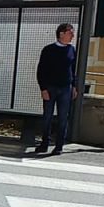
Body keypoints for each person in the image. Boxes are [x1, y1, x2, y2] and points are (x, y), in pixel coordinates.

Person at [35, 23, 78, 155]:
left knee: (63, 118)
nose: (72, 35)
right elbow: (41, 70)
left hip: (66, 88)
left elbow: (73, 69)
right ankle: (44, 143)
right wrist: (43, 89)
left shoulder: (72, 50)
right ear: (61, 34)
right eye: (70, 33)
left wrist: (74, 86)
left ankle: (59, 145)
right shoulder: (48, 50)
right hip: (50, 88)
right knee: (47, 116)